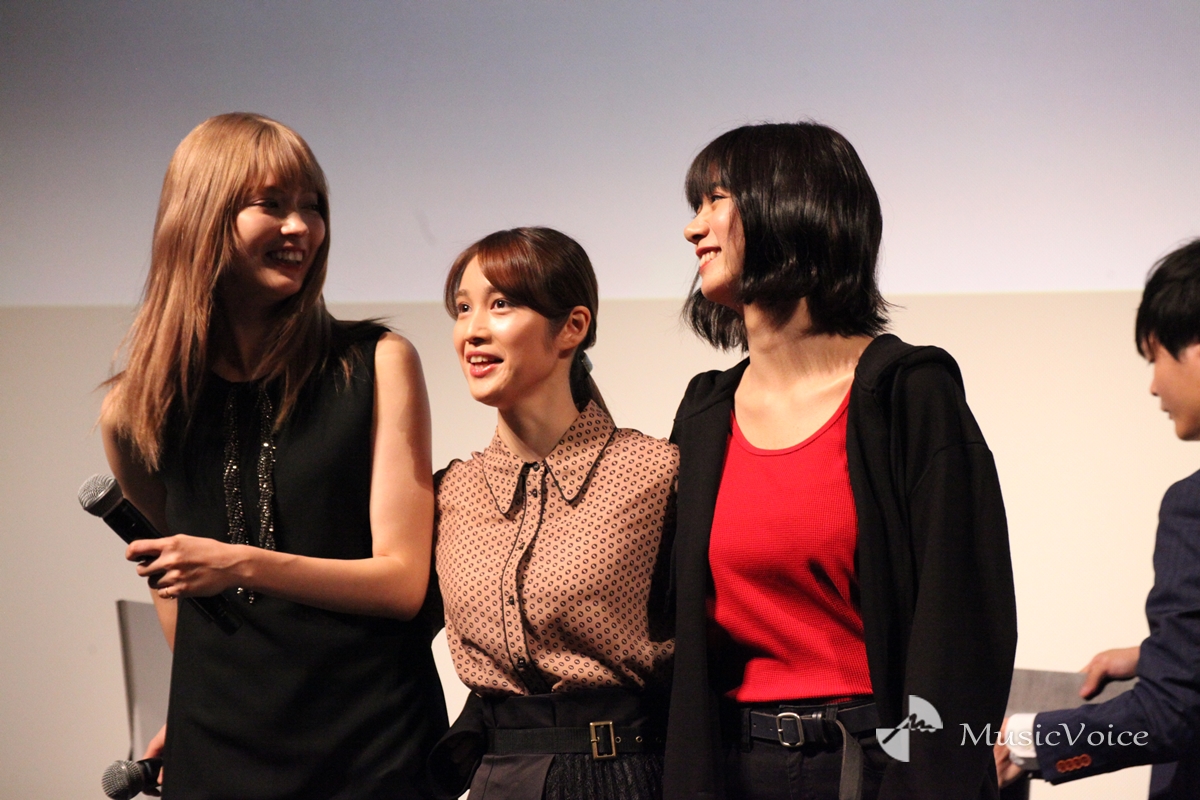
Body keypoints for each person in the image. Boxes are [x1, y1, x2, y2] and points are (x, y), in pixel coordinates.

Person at [662, 122, 1018, 800]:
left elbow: (963, 634)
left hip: (875, 769)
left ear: (794, 208)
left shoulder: (907, 394)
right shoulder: (704, 414)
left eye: (715, 200)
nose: (693, 228)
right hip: (735, 769)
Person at [99, 112, 447, 799]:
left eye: (312, 206)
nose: (301, 228)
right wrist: (189, 705)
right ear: (201, 217)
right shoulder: (136, 408)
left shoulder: (376, 363)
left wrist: (238, 562)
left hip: (373, 744)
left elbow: (402, 584)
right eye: (272, 204)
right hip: (217, 745)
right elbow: (170, 586)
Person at [430, 227, 678, 800]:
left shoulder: (655, 474)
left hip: (625, 775)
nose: (472, 330)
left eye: (500, 304)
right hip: (497, 778)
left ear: (573, 326)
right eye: (463, 308)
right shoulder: (451, 493)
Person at [995, 239, 1200, 799]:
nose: (1153, 384)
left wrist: (1024, 741)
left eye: (1155, 357)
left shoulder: (1192, 505)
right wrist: (1157, 656)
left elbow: (1170, 713)